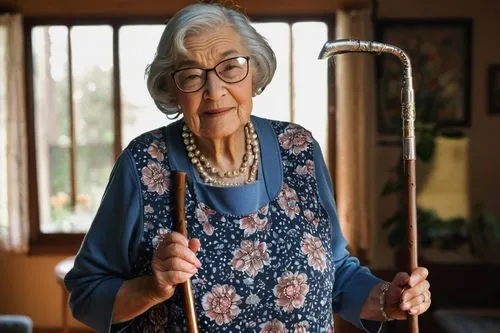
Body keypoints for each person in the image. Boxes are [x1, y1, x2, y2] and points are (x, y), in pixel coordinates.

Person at [64, 2, 431, 332]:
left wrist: (388, 299)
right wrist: (152, 287)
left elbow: (335, 271)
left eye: (230, 67)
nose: (214, 90)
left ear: (254, 74)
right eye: (192, 75)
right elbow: (86, 295)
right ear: (172, 90)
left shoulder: (299, 150)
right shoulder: (144, 164)